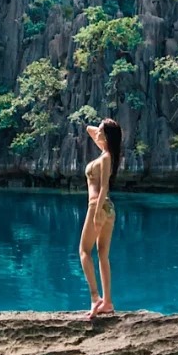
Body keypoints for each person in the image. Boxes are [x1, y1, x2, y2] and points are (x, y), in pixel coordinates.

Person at [80, 117, 122, 319]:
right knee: (102, 255)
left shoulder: (105, 157)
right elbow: (89, 129)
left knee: (84, 252)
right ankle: (108, 302)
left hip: (98, 205)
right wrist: (102, 128)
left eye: (101, 131)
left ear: (105, 136)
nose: (96, 131)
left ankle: (95, 298)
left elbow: (104, 185)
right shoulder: (107, 152)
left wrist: (96, 212)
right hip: (109, 209)